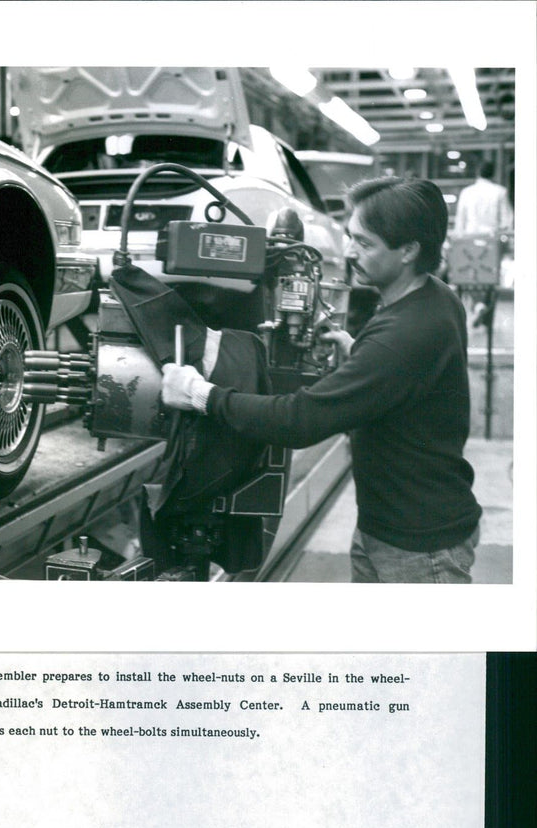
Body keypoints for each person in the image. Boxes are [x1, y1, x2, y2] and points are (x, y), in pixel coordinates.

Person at [161, 176, 483, 583]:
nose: (348, 252)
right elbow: (404, 378)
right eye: (350, 237)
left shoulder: (403, 337)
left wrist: (198, 393)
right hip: (390, 528)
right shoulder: (435, 297)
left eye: (365, 244)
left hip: (421, 552)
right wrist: (360, 357)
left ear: (409, 250)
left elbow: (300, 421)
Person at [454, 159, 514, 326]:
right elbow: (507, 220)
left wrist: (459, 238)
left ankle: (476, 305)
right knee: (489, 277)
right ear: (493, 173)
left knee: (470, 276)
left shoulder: (467, 192)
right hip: (490, 241)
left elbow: (460, 220)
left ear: (477, 173)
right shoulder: (500, 192)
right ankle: (485, 313)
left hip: (468, 240)